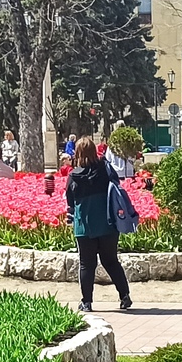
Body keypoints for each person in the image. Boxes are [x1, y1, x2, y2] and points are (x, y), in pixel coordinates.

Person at [64, 134, 132, 314]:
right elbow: (117, 185)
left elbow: (70, 202)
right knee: (111, 261)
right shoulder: (105, 169)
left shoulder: (73, 177)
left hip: (84, 226)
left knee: (87, 264)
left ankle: (86, 302)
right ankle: (124, 295)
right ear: (95, 151)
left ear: (76, 154)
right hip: (108, 224)